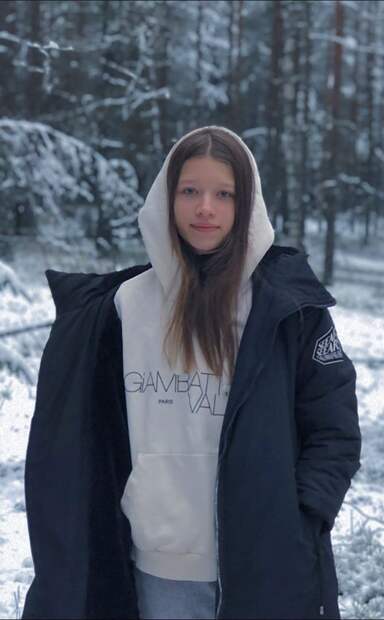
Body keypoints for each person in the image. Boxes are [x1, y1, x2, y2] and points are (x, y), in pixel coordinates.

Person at [21, 125, 362, 619]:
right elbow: (76, 438)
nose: (206, 208)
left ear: (247, 203)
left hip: (265, 565)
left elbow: (334, 427)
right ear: (166, 197)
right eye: (190, 191)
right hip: (155, 571)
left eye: (224, 194)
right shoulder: (119, 308)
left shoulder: (289, 311)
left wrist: (302, 517)